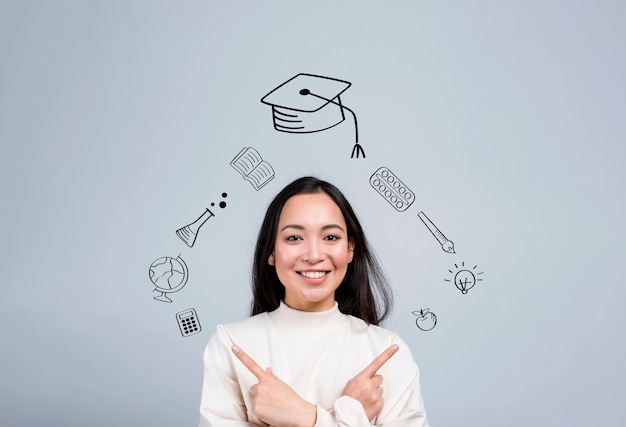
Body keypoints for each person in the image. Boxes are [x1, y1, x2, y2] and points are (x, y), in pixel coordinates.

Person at [198, 176, 430, 427]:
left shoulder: (387, 352)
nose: (314, 255)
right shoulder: (232, 344)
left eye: (330, 237)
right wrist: (349, 416)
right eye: (294, 238)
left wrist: (305, 417)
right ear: (271, 252)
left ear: (350, 248)